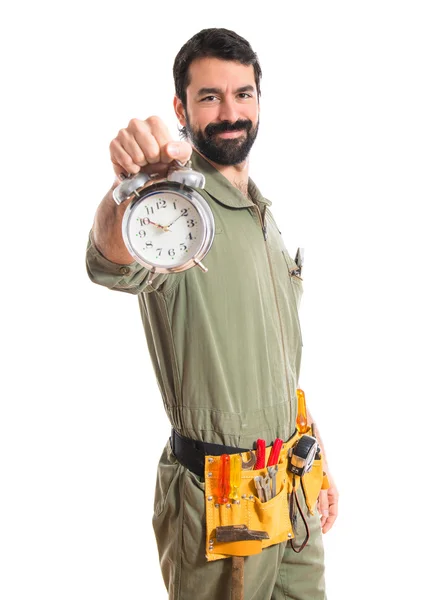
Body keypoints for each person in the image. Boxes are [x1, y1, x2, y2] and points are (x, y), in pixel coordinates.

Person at [86, 27, 338, 600]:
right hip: (220, 502)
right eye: (209, 97)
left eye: (242, 94)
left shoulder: (261, 215)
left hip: (292, 490)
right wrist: (131, 186)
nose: (230, 112)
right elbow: (110, 258)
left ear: (258, 100)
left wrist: (314, 453)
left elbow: (276, 359)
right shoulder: (173, 209)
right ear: (182, 107)